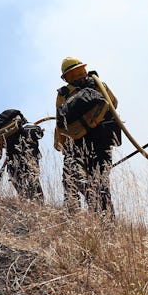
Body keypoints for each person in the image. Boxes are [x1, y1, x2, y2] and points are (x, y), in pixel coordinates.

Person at [54, 57, 120, 218]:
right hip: (102, 142)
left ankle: (72, 219)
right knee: (101, 184)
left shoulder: (64, 94)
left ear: (66, 76)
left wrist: (62, 147)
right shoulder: (98, 85)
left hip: (75, 144)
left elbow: (60, 125)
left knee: (70, 181)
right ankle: (106, 223)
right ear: (83, 68)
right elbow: (114, 103)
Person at [0, 109, 44, 202]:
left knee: (23, 193)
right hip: (30, 161)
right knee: (35, 187)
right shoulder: (29, 128)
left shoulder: (0, 134)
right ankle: (39, 205)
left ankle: (27, 205)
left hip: (14, 162)